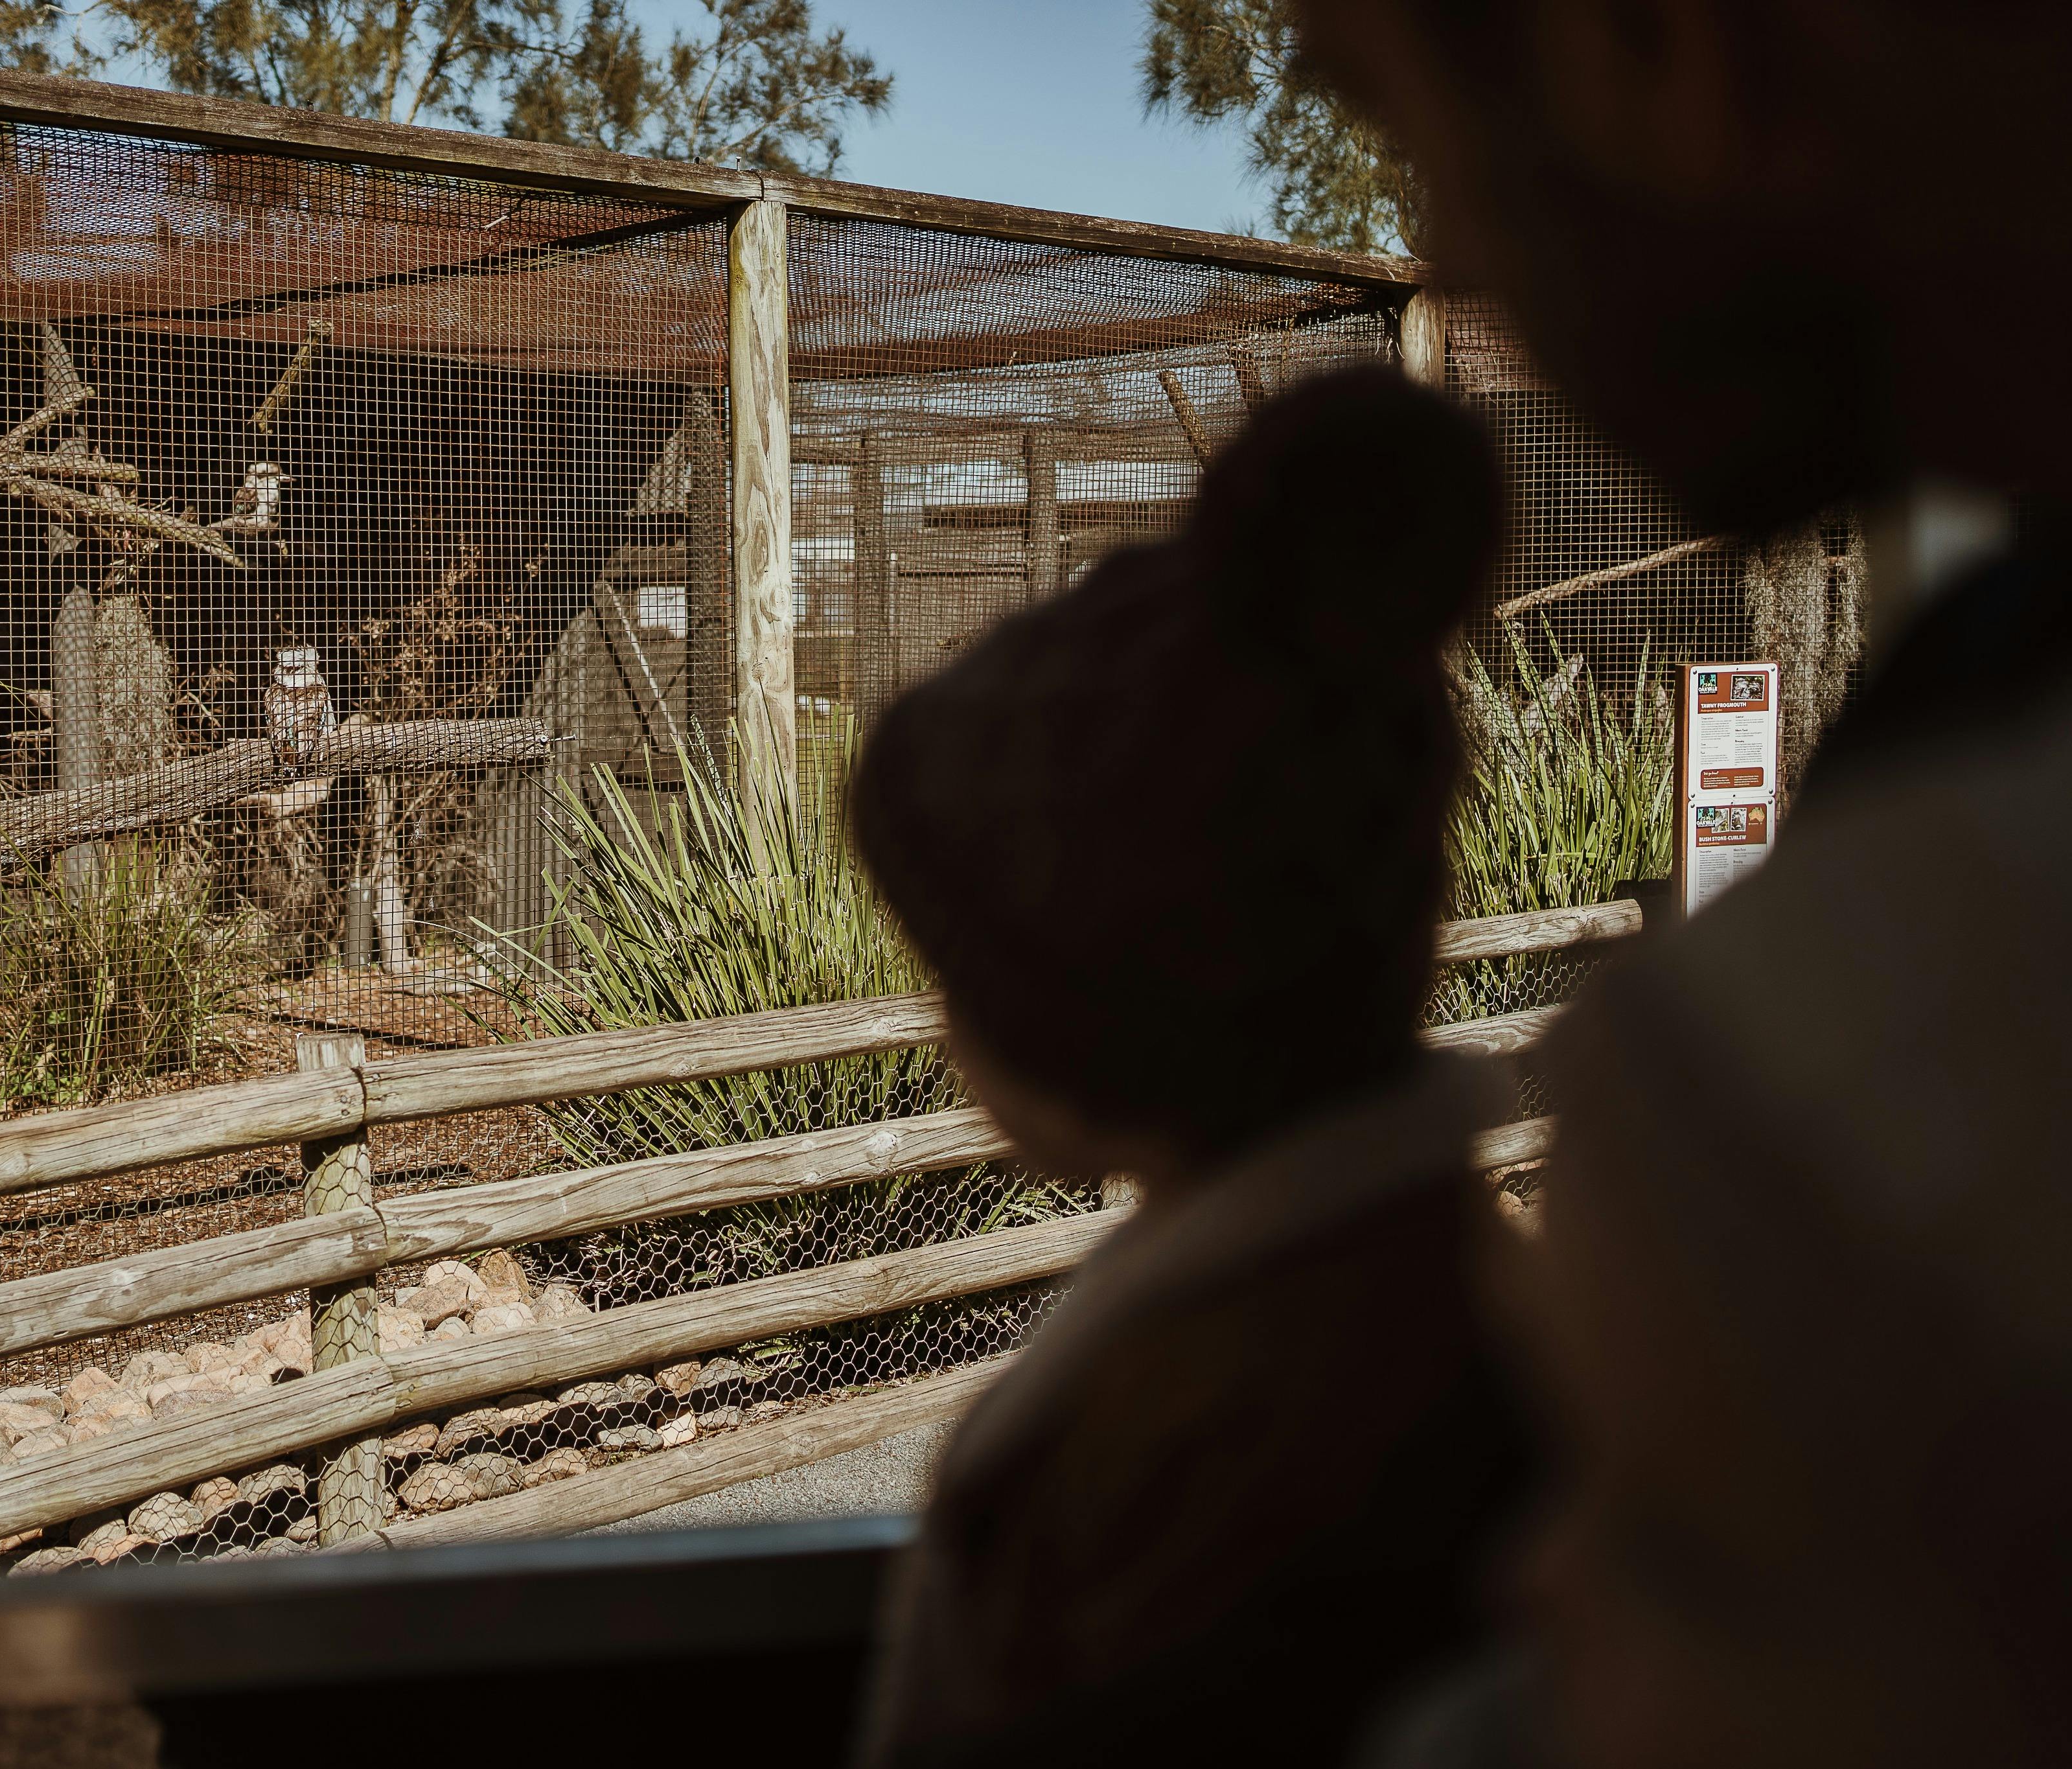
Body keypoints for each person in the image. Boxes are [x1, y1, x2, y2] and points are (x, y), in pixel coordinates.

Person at [1286, 4, 2072, 1764]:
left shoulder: (1835, 1083)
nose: (1450, 251)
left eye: (1409, 132)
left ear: (1658, 58)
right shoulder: (1992, 669)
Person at [847, 367, 1525, 1767]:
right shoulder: (1465, 1288)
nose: (942, 1018)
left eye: (956, 968)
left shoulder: (1207, 1431)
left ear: (1085, 1015)